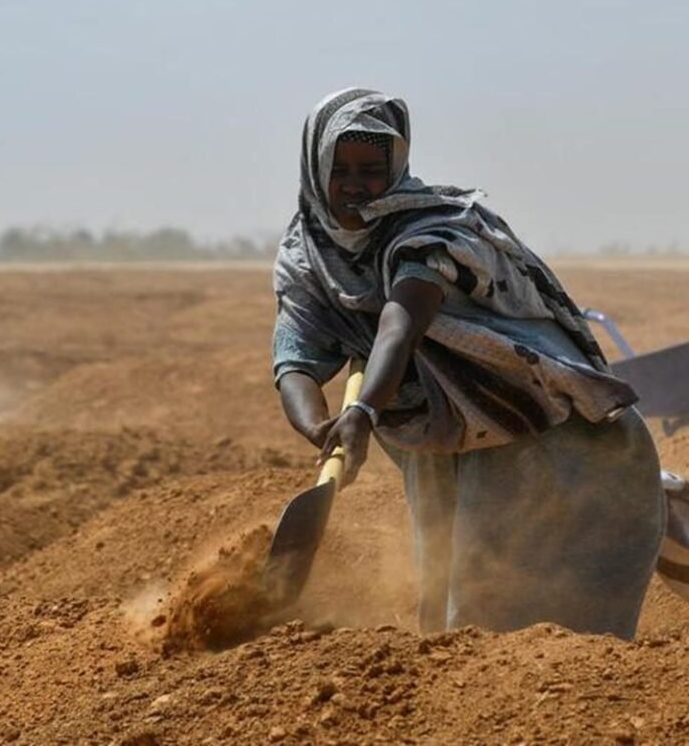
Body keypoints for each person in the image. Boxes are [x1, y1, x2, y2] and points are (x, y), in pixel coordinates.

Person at [272, 87, 665, 640]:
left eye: (371, 169)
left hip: (541, 431)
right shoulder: (307, 255)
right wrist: (320, 427)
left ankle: (666, 512)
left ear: (398, 166)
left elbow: (400, 323)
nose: (355, 185)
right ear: (315, 170)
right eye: (341, 171)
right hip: (446, 448)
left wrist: (361, 408)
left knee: (529, 624)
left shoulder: (436, 230)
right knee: (458, 630)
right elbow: (295, 356)